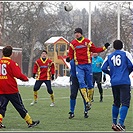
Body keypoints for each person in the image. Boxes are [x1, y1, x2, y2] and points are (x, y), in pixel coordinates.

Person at [66, 27, 110, 111]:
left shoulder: (87, 42)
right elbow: (71, 54)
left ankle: (89, 102)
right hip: (79, 66)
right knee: (81, 82)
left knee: (90, 85)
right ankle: (87, 102)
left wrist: (104, 47)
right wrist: (69, 58)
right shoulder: (73, 43)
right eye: (75, 33)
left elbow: (95, 49)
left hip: (88, 65)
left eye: (78, 33)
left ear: (81, 33)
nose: (76, 34)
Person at [0, 46, 40, 128]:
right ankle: (30, 122)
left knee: (2, 107)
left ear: (2, 53)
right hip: (11, 89)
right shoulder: (11, 63)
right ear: (11, 54)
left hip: (1, 89)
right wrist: (25, 79)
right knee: (19, 106)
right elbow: (18, 74)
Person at [101, 40, 133, 131]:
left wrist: (111, 73)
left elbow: (103, 67)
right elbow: (132, 65)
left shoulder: (109, 56)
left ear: (114, 47)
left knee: (116, 102)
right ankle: (120, 123)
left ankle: (114, 123)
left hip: (114, 82)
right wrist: (127, 72)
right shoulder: (126, 54)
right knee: (125, 103)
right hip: (124, 81)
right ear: (122, 46)